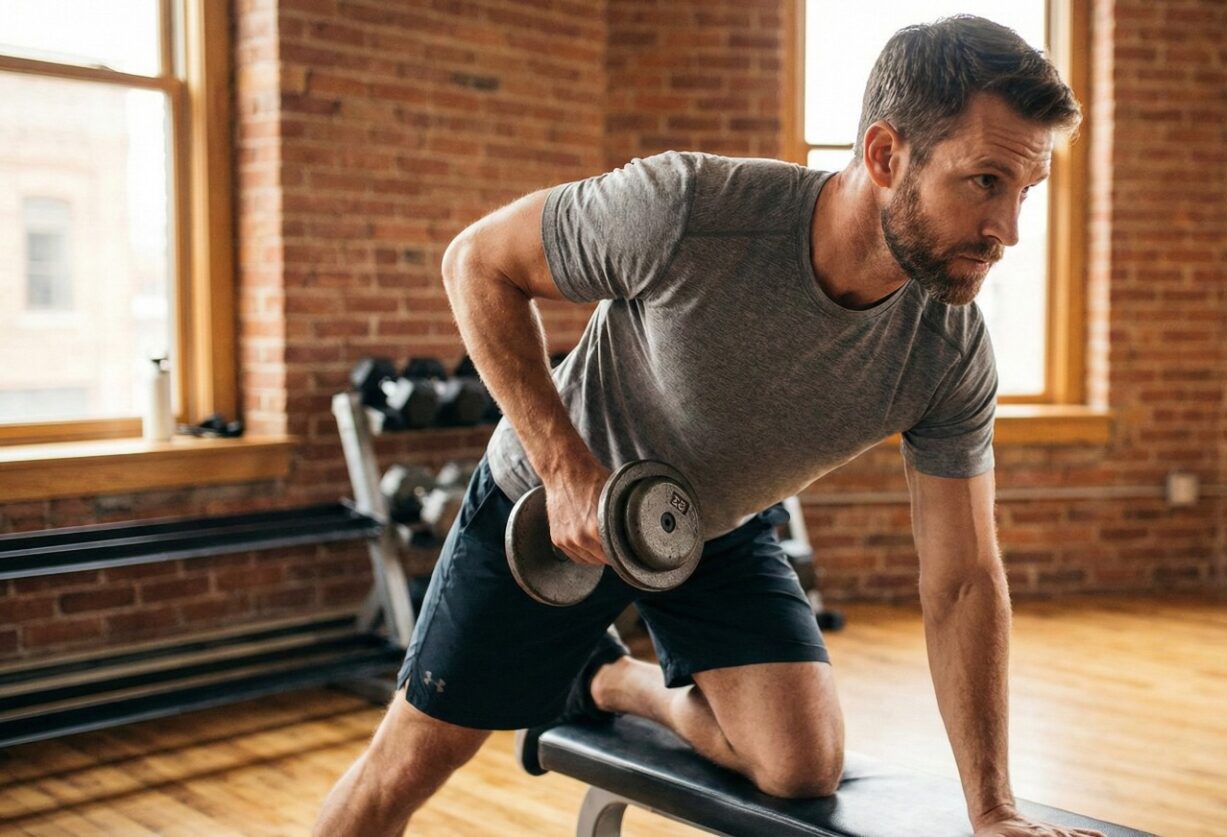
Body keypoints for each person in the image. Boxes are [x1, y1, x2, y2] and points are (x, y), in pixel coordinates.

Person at [316, 14, 1100, 837]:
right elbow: (476, 262)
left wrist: (993, 809)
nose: (1008, 231)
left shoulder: (948, 351)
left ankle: (613, 682)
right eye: (984, 183)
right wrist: (563, 468)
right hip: (552, 504)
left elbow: (965, 579)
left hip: (711, 526)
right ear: (884, 155)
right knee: (410, 763)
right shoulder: (689, 210)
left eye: (1024, 193)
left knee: (802, 764)